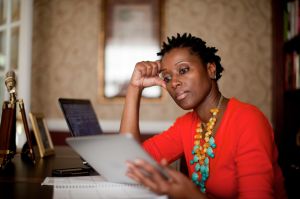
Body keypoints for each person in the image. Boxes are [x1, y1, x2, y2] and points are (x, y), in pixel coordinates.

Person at [120, 33, 286, 199]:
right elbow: (129, 162)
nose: (174, 83)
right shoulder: (186, 125)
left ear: (210, 69)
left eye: (183, 70)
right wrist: (135, 88)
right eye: (167, 78)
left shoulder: (248, 121)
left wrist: (191, 196)